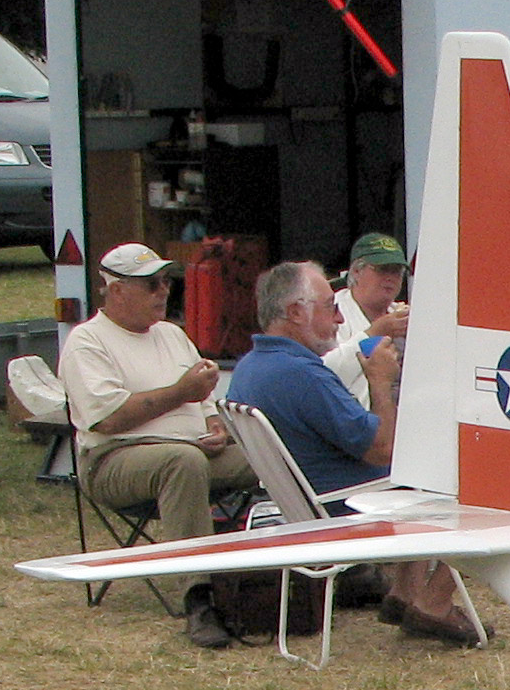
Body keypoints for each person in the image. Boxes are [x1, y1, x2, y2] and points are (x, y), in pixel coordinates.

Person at [228, 261, 483, 647]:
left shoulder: (250, 367)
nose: (337, 317)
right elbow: (381, 450)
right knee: (481, 483)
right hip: (342, 509)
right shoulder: (301, 375)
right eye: (330, 306)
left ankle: (403, 593)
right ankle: (432, 604)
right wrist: (380, 380)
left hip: (303, 505)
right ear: (296, 313)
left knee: (427, 471)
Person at [59, 242, 257, 648]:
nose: (164, 291)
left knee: (271, 455)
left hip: (193, 449)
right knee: (180, 462)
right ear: (117, 291)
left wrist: (217, 426)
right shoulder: (87, 342)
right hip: (113, 460)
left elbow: (205, 399)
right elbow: (109, 419)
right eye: (151, 284)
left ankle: (294, 574)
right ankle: (200, 598)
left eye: (167, 282)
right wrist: (180, 393)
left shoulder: (171, 335)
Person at [322, 231, 411, 403]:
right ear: (356, 271)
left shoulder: (404, 314)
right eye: (382, 269)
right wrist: (374, 334)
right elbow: (324, 373)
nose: (390, 277)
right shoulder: (333, 310)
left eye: (397, 271)